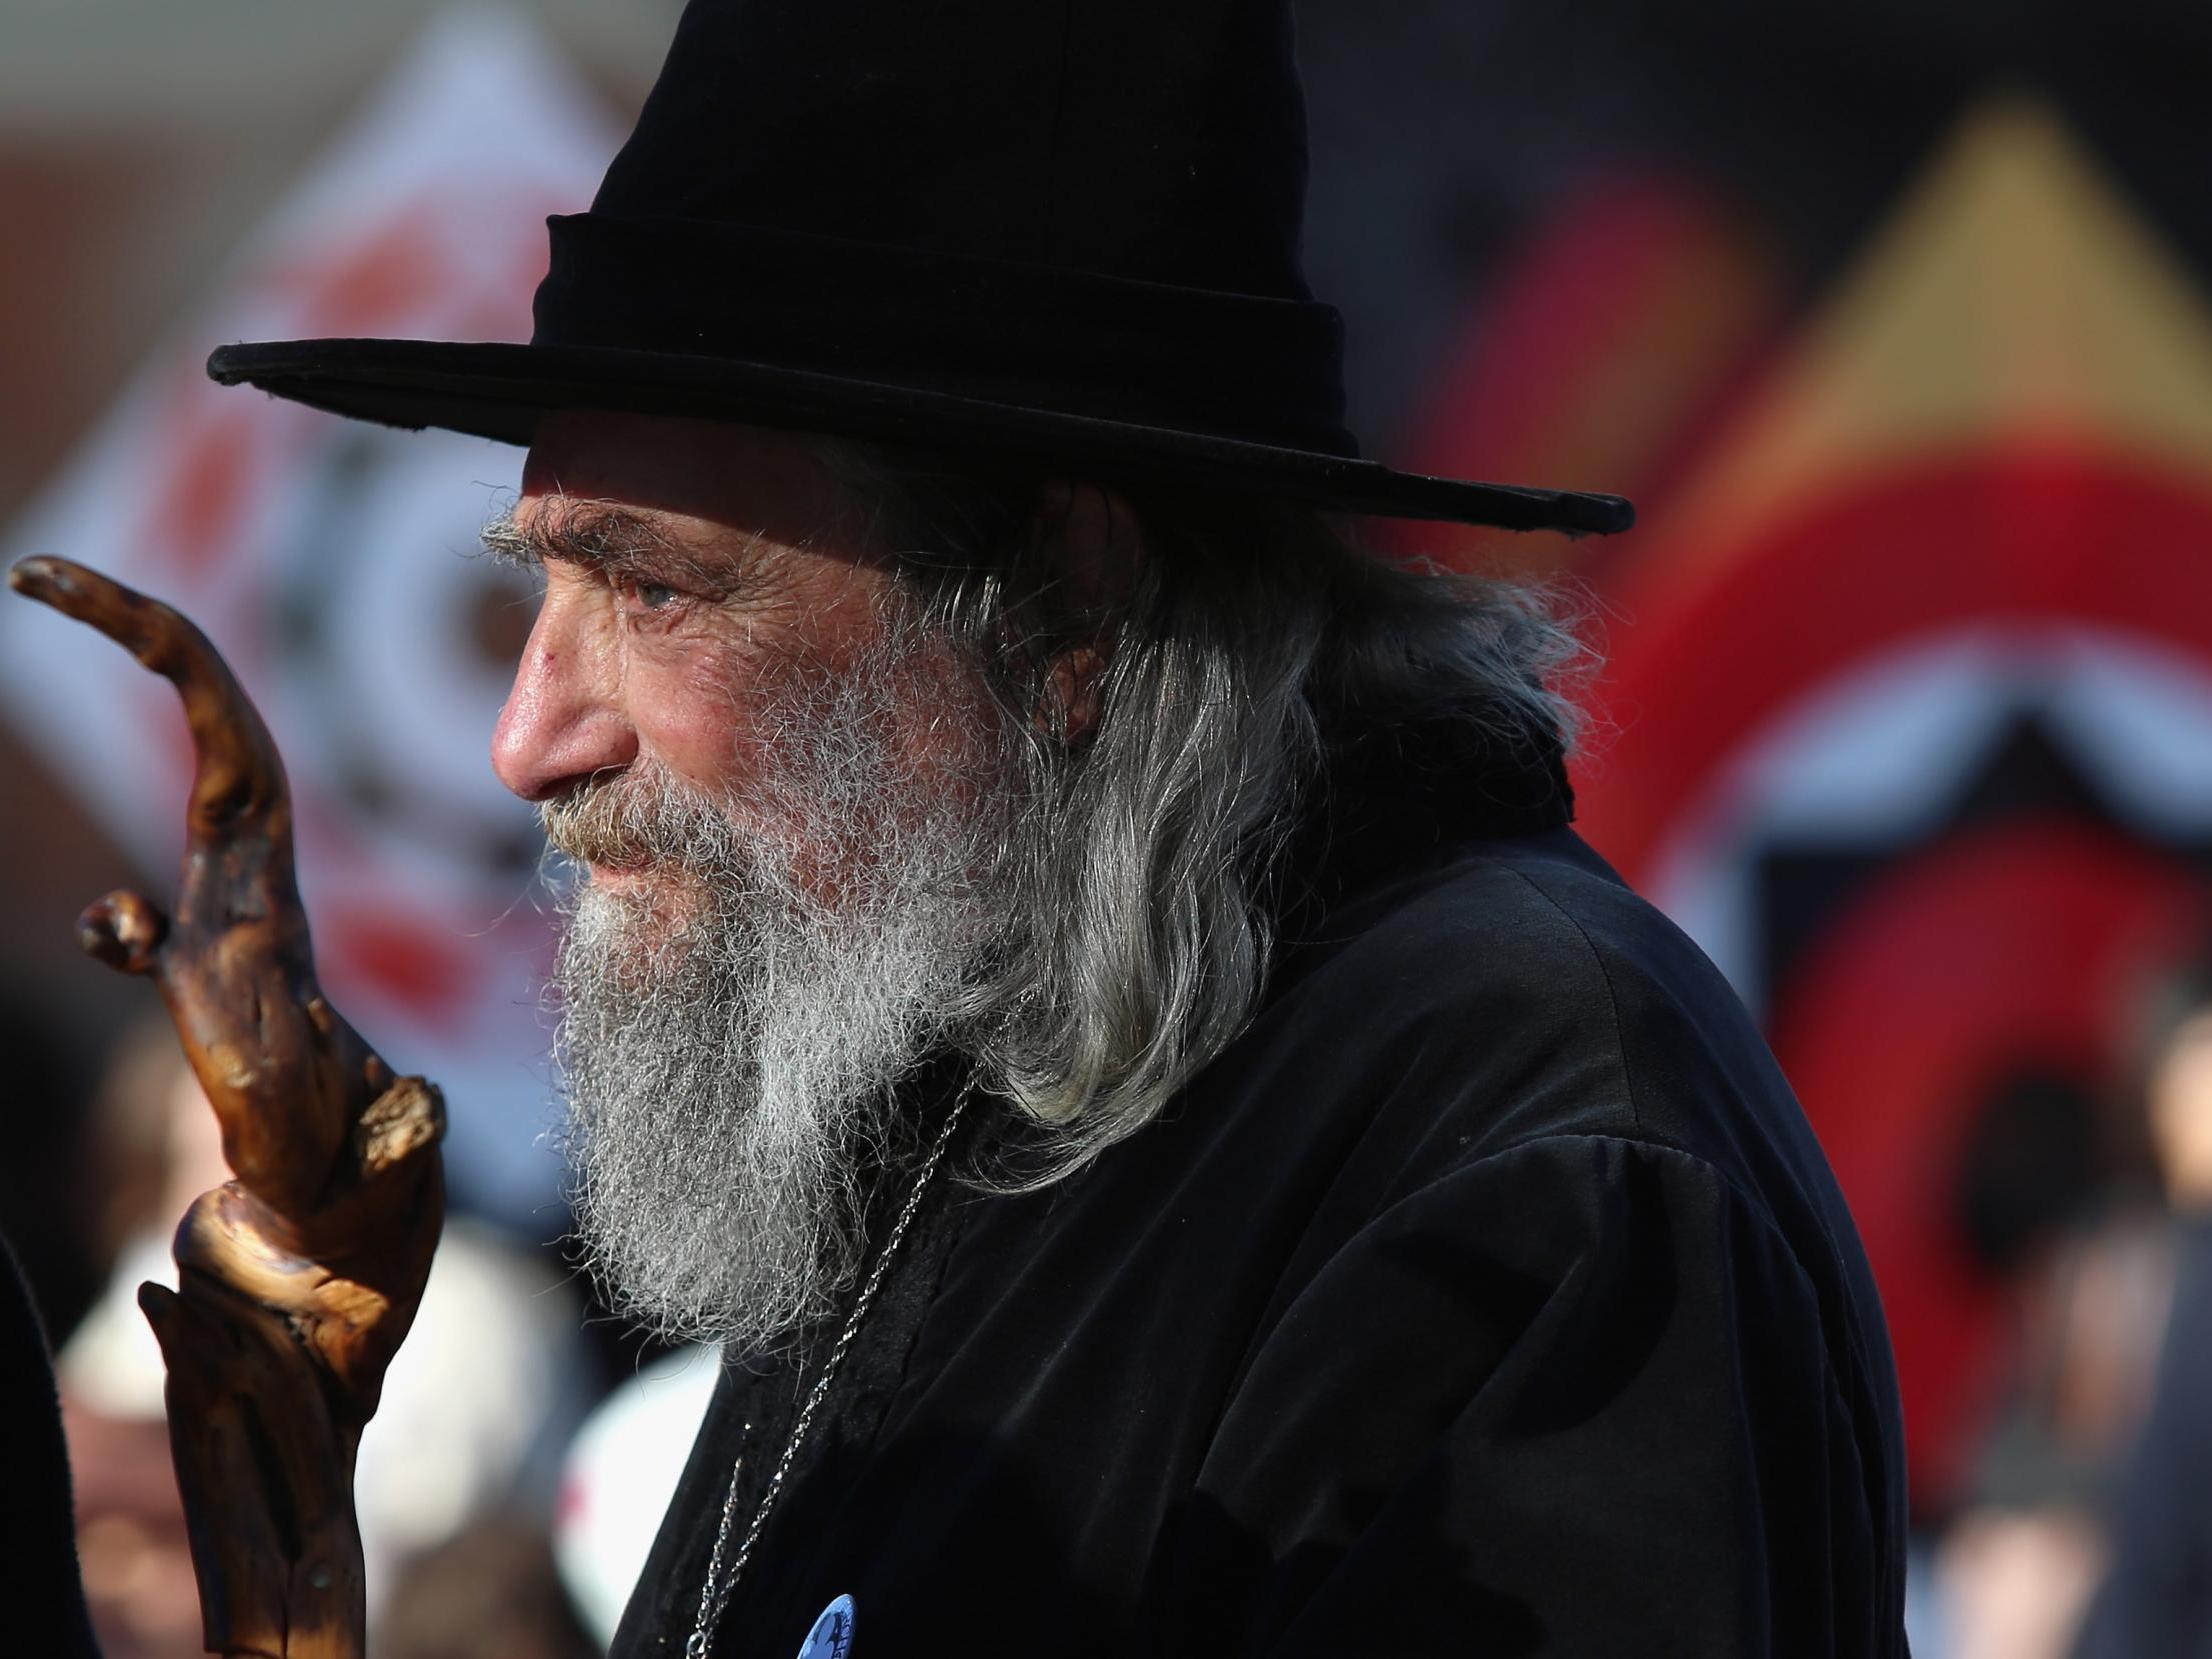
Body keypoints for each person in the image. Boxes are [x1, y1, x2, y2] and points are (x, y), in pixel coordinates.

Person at [205, 0, 1909, 1651]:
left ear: (1060, 599)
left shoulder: (1521, 1149)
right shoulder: (959, 1066)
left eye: (655, 589)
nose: (529, 739)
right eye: (541, 592)